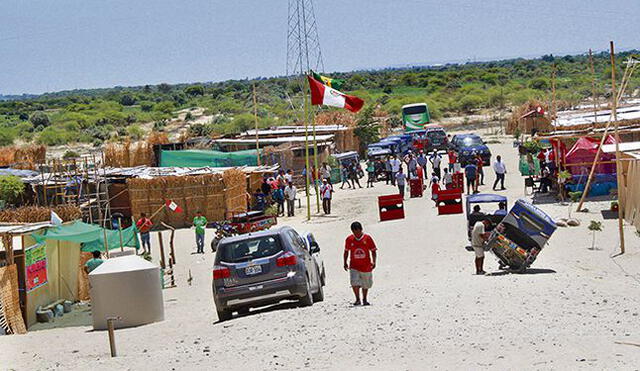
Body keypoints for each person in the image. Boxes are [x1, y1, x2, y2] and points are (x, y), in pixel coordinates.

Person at [343, 221, 377, 306]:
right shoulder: (349, 239)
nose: (356, 233)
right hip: (354, 265)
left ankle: (364, 299)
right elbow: (346, 251)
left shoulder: (367, 238)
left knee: (366, 284)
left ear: (361, 229)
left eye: (358, 231)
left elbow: (373, 251)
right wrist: (345, 262)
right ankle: (357, 299)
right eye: (354, 232)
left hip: (366, 265)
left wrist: (374, 261)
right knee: (354, 283)